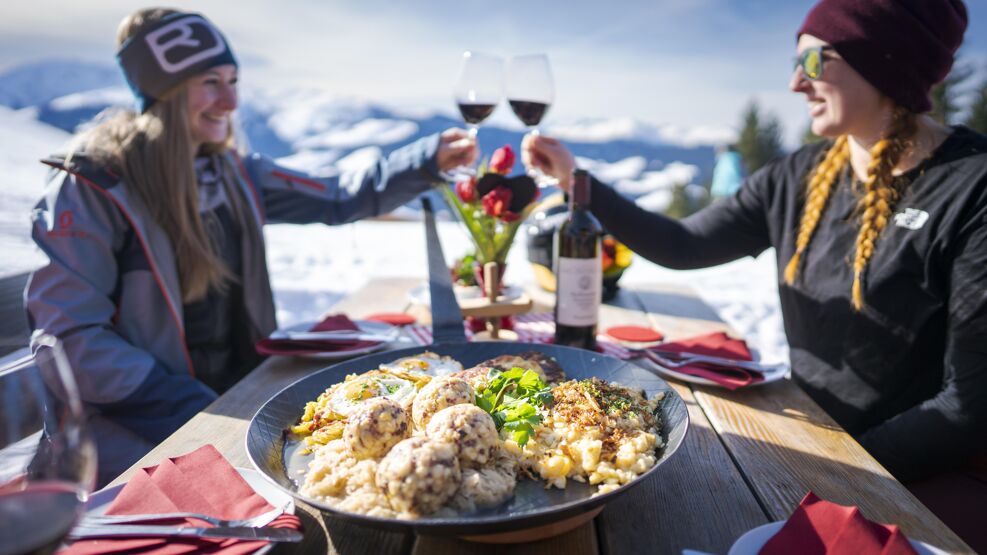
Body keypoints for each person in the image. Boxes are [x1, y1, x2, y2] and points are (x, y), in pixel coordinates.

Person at [523, 0, 986, 547]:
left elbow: (967, 407)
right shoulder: (799, 175)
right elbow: (682, 244)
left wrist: (839, 464)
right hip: (816, 434)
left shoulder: (970, 188)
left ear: (885, 60)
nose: (795, 83)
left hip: (919, 476)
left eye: (815, 62)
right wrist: (579, 181)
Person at [25, 8, 476, 486]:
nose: (232, 99)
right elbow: (71, 340)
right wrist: (192, 407)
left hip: (238, 406)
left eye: (234, 79)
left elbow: (338, 196)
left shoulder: (232, 173)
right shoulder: (97, 186)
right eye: (211, 81)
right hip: (132, 445)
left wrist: (425, 160)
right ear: (164, 91)